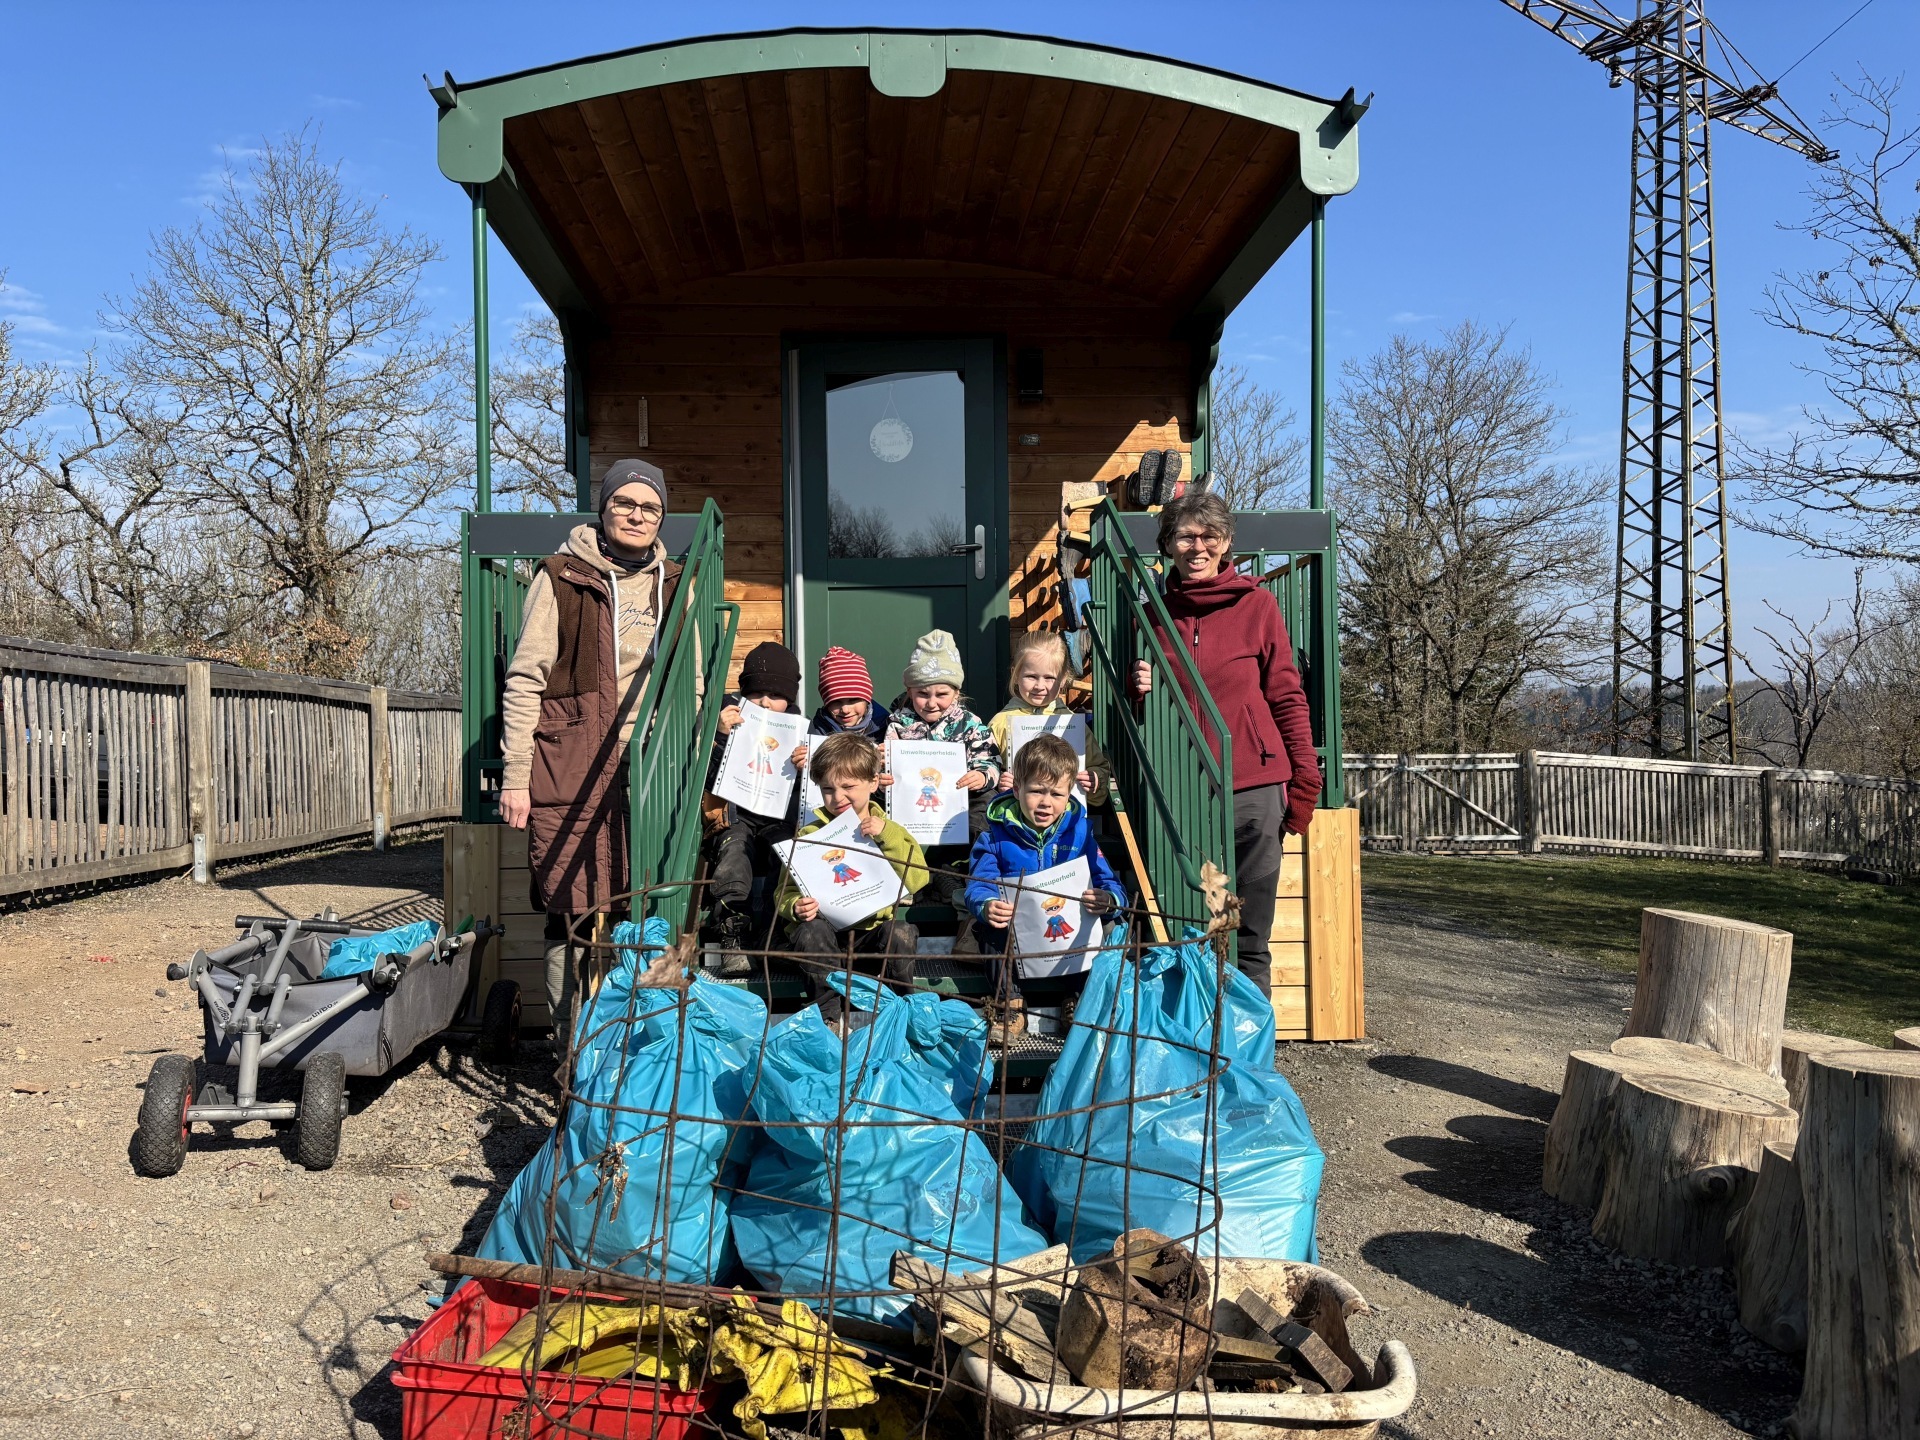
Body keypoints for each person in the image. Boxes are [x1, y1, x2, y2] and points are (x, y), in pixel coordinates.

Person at [497, 457, 685, 1041]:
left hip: (652, 760)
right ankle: (572, 1047)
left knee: (648, 904)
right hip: (572, 759)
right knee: (571, 905)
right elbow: (527, 677)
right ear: (603, 510)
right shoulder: (559, 576)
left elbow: (695, 678)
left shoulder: (679, 583)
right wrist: (515, 775)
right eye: (625, 503)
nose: (636, 514)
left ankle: (643, 1042)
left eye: (649, 506)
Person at [1132, 491, 1322, 997]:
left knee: (1251, 936)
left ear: (1226, 542)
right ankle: (1198, 1039)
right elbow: (1131, 711)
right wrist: (1137, 689)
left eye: (1208, 536)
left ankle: (1246, 1056)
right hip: (1181, 790)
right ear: (1167, 545)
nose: (1197, 547)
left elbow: (1286, 694)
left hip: (1252, 789)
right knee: (1193, 923)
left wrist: (1305, 780)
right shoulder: (1151, 615)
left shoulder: (1257, 605)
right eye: (1185, 536)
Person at [965, 733, 1127, 1046]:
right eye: (1036, 791)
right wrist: (985, 904)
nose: (1045, 802)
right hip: (1019, 933)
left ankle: (1078, 1000)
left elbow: (1108, 880)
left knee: (1107, 923)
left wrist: (1110, 900)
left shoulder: (1080, 832)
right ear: (1016, 789)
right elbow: (979, 881)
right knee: (988, 928)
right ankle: (1008, 1005)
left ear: (1070, 795)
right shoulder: (994, 833)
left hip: (1068, 937)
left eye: (1056, 794)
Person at [775, 731, 929, 1026]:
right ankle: (829, 1019)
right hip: (825, 940)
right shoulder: (808, 836)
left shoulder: (890, 829)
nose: (837, 797)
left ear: (873, 783)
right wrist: (794, 906)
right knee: (810, 932)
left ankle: (903, 1011)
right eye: (828, 789)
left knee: (901, 932)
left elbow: (918, 878)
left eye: (848, 786)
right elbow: (784, 891)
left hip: (872, 937)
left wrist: (886, 835)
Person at [883, 629, 1002, 948]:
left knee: (988, 804)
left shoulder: (971, 724)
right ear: (909, 690)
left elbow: (991, 760)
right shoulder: (898, 724)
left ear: (956, 691)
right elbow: (887, 764)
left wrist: (981, 776)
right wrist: (884, 775)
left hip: (958, 813)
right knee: (884, 807)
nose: (931, 703)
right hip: (917, 816)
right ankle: (909, 877)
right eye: (922, 694)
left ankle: (976, 886)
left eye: (941, 694)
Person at [701, 641, 807, 975]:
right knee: (735, 855)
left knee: (788, 856)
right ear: (744, 691)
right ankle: (734, 933)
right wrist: (718, 738)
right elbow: (705, 777)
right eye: (756, 693)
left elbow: (816, 793)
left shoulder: (799, 728)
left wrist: (809, 766)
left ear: (789, 698)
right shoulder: (725, 718)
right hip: (735, 817)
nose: (764, 702)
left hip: (780, 820)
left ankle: (774, 935)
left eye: (775, 695)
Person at [989, 629, 1114, 806]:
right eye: (1031, 676)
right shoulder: (1000, 723)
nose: (1040, 686)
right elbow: (985, 769)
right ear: (1016, 675)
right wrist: (999, 781)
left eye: (1049, 678)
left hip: (1066, 822)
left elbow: (1099, 767)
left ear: (1063, 680)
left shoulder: (1071, 723)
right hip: (1015, 822)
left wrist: (1095, 780)